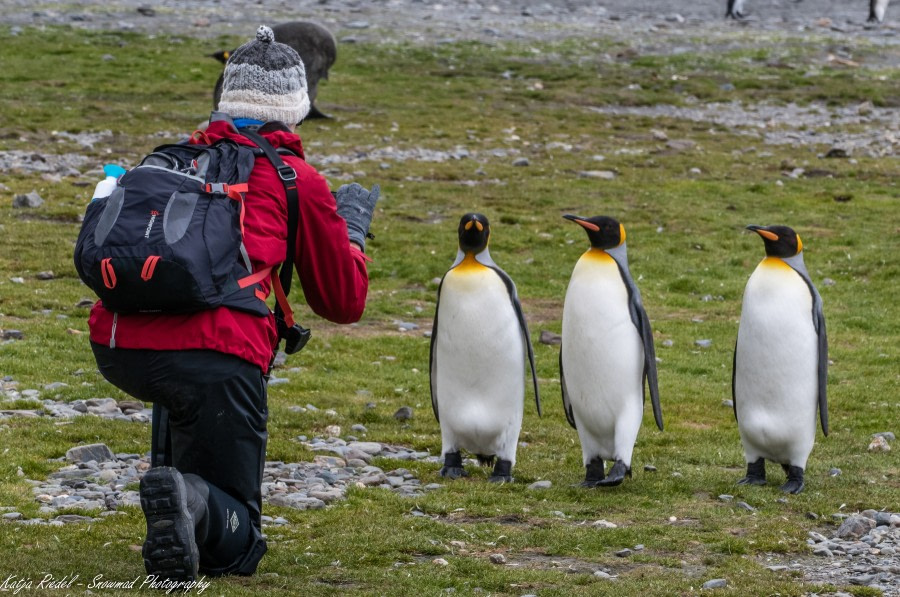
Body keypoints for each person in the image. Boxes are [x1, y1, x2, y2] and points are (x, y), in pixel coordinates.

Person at [87, 25, 379, 580]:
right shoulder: (295, 177)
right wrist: (353, 238)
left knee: (180, 384)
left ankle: (175, 497)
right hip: (218, 354)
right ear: (296, 106)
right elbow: (343, 302)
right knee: (237, 540)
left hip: (120, 344)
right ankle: (192, 501)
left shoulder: (170, 160)